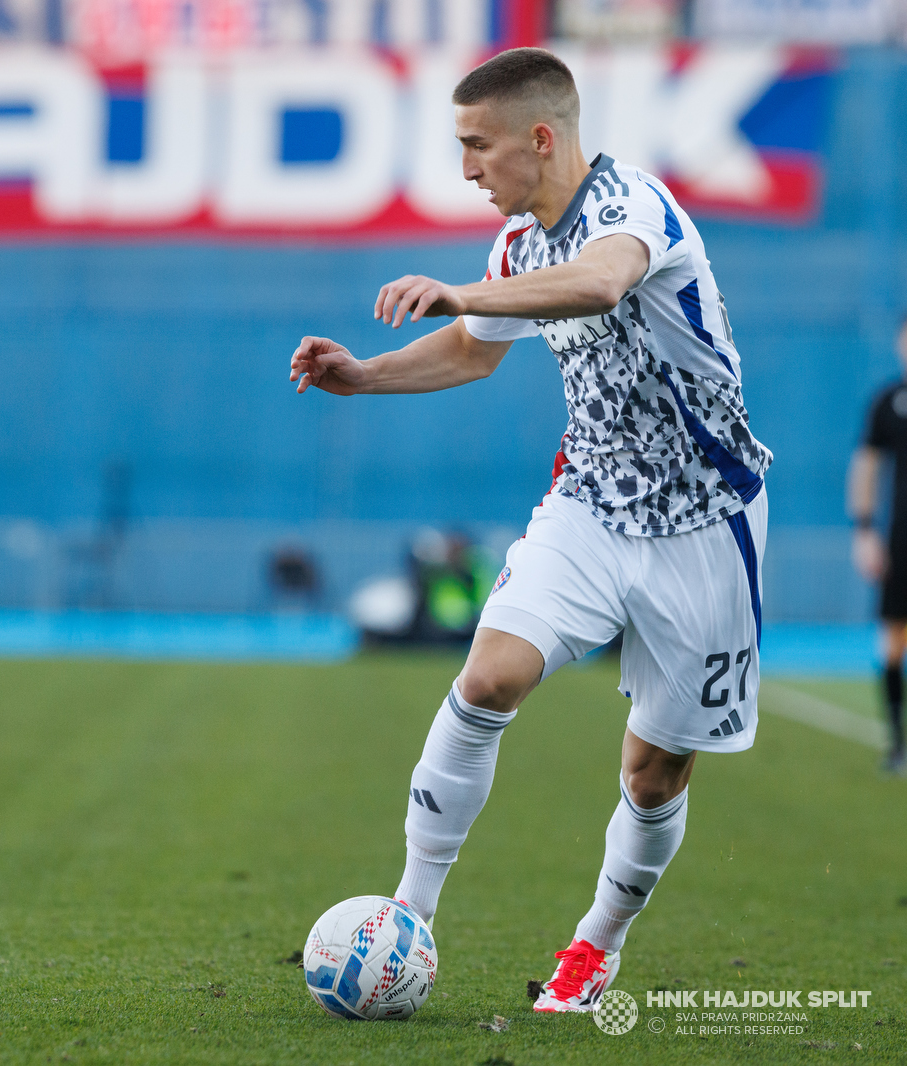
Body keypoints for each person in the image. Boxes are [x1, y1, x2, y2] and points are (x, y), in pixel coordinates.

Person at [288, 47, 770, 1013]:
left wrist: (463, 291)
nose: (467, 167)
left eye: (478, 145)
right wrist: (366, 373)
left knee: (653, 769)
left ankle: (597, 943)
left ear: (540, 139)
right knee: (488, 676)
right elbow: (472, 351)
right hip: (589, 504)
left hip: (706, 524)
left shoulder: (634, 206)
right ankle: (407, 918)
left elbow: (598, 285)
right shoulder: (518, 247)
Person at [847, 315, 907, 775]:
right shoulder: (890, 402)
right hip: (900, 540)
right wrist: (865, 530)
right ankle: (897, 742)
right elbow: (866, 465)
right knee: (894, 639)